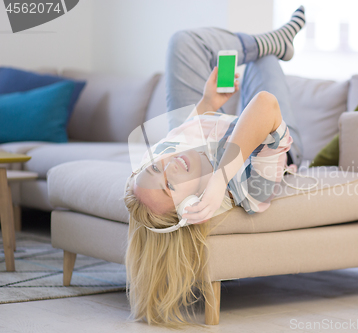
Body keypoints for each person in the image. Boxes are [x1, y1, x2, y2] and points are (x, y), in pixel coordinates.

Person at [123, 6, 306, 329]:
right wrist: (220, 178)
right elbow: (265, 105)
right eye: (168, 184)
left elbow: (184, 132)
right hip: (272, 133)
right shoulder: (249, 190)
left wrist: (209, 102)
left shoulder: (173, 154)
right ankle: (275, 43)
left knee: (183, 41)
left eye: (154, 167)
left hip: (217, 122)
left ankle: (273, 41)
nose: (169, 163)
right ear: (190, 206)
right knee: (263, 61)